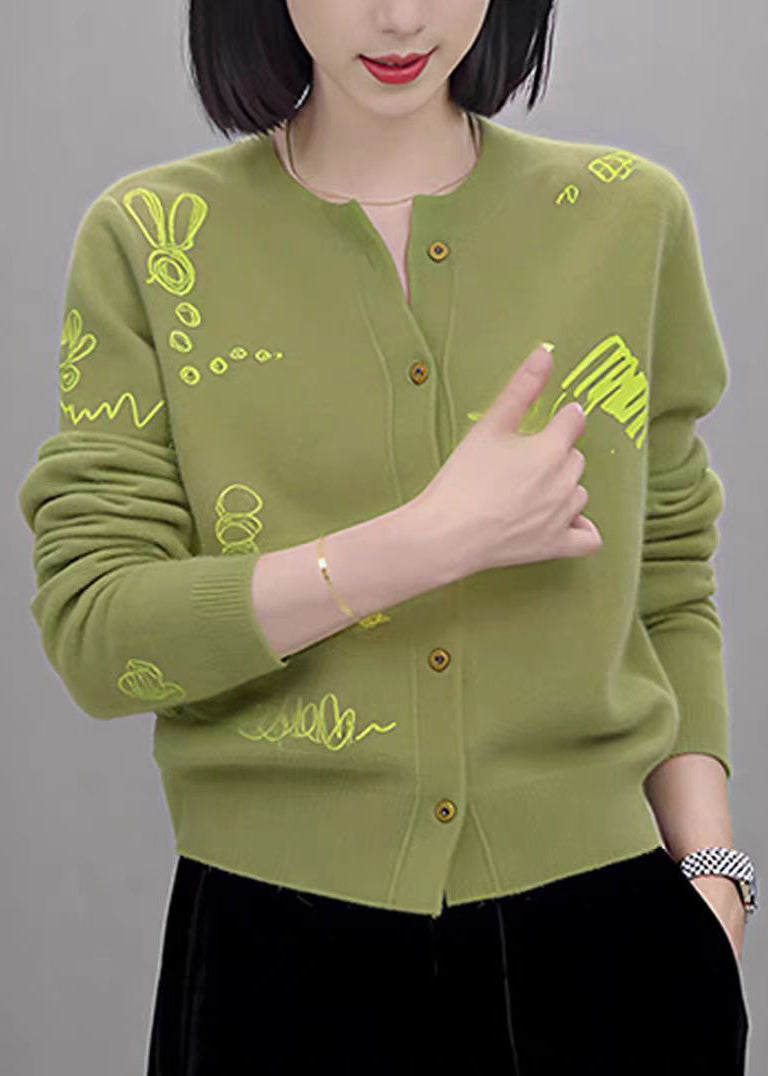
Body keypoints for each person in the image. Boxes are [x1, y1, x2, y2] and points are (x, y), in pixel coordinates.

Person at [17, 1, 757, 1072]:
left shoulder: (627, 218)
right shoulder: (151, 238)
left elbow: (671, 572)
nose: (401, 15)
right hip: (278, 962)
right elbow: (99, 634)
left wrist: (714, 879)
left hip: (614, 949)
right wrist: (421, 544)